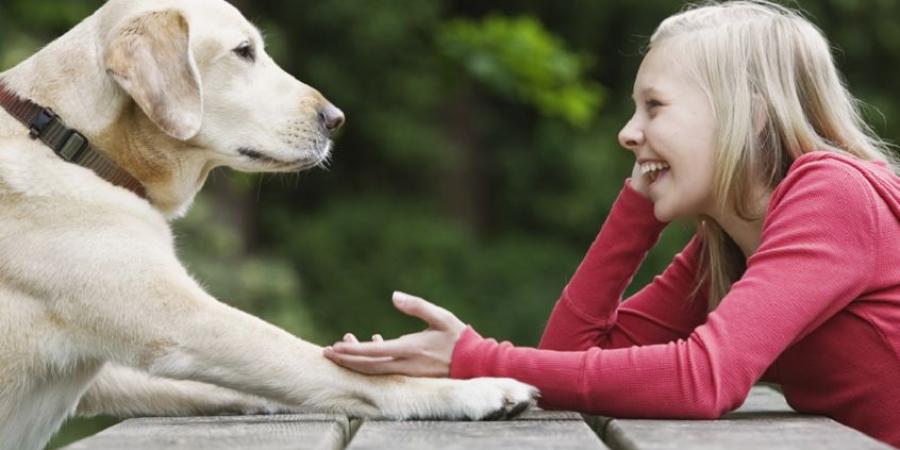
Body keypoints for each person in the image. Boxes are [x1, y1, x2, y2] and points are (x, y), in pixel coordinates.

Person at [323, 1, 900, 446]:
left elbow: (703, 379)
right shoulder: (727, 243)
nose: (628, 132)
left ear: (745, 113)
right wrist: (636, 211)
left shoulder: (833, 193)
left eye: (654, 107)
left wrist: (472, 359)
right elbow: (570, 357)